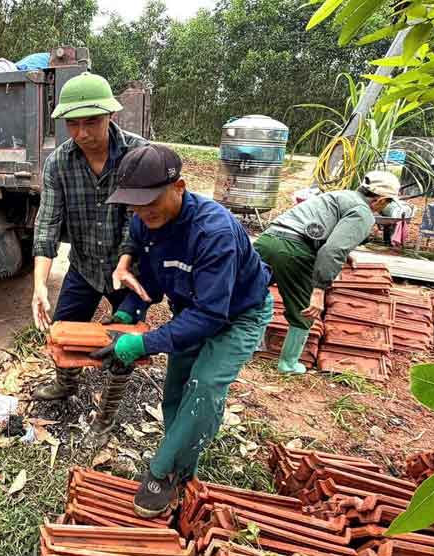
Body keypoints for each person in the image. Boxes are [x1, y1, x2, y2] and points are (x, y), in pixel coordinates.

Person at [94, 144, 273, 517]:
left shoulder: (214, 232)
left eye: (151, 200)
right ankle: (181, 456)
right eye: (135, 205)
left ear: (179, 186)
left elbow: (211, 315)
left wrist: (144, 343)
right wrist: (130, 312)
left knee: (205, 385)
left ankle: (164, 471)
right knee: (176, 388)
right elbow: (153, 278)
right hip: (191, 309)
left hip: (237, 315)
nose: (143, 212)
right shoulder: (144, 221)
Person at [29, 72, 149, 401]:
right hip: (83, 268)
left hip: (129, 274)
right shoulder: (58, 164)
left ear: (111, 115)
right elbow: (47, 224)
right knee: (64, 330)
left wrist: (123, 266)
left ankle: (109, 408)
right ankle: (65, 384)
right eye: (73, 124)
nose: (82, 133)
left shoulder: (139, 156)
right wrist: (40, 283)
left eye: (92, 122)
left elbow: (137, 223)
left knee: (123, 341)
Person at [253, 171, 400, 375]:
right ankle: (288, 364)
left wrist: (342, 252)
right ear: (381, 200)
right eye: (387, 203)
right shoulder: (363, 212)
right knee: (304, 311)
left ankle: (247, 348)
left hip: (267, 241)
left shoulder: (341, 195)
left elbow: (326, 234)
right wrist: (319, 289)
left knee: (252, 293)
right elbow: (332, 250)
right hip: (292, 251)